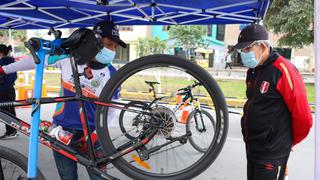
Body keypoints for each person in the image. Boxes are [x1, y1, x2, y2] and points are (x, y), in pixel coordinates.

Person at [0, 20, 126, 180]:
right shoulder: (69, 59)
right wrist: (4, 69)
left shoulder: (113, 74)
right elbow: (36, 60)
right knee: (67, 177)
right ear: (96, 41)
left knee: (99, 178)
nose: (112, 50)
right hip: (62, 132)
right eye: (109, 44)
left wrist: (98, 134)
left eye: (115, 46)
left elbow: (112, 110)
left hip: (93, 137)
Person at [233, 23, 312, 180]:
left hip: (272, 152)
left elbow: (303, 117)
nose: (243, 53)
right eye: (242, 50)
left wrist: (288, 143)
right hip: (253, 148)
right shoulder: (254, 70)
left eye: (247, 49)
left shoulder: (284, 70)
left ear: (262, 46)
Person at [0, 44, 18, 139]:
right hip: (10, 89)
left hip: (3, 90)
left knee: (5, 112)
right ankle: (13, 130)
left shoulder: (3, 62)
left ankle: (10, 131)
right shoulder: (11, 61)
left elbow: (1, 77)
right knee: (10, 110)